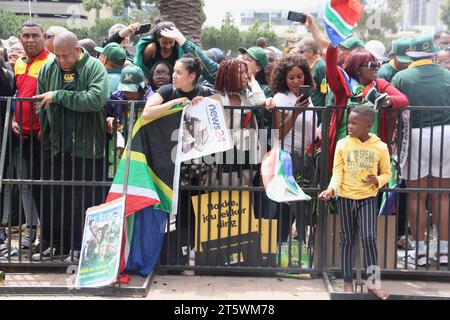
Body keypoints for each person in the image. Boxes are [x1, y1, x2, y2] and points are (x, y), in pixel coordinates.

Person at [32, 31, 109, 262]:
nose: (62, 60)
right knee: (54, 196)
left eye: (66, 56)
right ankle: (55, 245)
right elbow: (40, 100)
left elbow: (96, 99)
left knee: (84, 200)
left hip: (87, 147)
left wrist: (60, 96)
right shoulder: (49, 67)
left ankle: (80, 248)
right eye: (58, 56)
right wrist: (45, 129)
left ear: (77, 50)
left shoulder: (94, 67)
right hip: (55, 145)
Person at [319, 105, 391, 300]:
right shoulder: (343, 144)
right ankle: (347, 283)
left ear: (368, 125)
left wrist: (379, 180)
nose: (349, 126)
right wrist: (331, 190)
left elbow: (387, 173)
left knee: (369, 238)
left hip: (367, 198)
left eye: (354, 123)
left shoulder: (380, 147)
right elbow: (337, 172)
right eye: (349, 122)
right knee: (346, 240)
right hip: (345, 197)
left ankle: (373, 284)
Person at [392, 35, 450, 267]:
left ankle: (420, 252)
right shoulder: (448, 75)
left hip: (415, 135)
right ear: (433, 54)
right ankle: (445, 251)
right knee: (442, 195)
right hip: (446, 134)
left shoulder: (401, 77)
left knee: (416, 195)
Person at [3, 20, 52, 250]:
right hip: (20, 134)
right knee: (24, 185)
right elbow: (16, 96)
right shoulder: (19, 64)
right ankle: (31, 232)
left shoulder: (51, 62)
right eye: (26, 35)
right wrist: (13, 119)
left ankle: (48, 236)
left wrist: (46, 125)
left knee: (44, 186)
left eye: (35, 35)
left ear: (43, 37)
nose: (30, 39)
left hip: (43, 137)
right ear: (19, 37)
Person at [326, 45, 409, 171]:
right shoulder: (343, 86)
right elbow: (331, 67)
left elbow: (403, 99)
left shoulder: (379, 84)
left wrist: (386, 101)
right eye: (372, 65)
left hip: (370, 154)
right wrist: (332, 46)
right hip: (344, 151)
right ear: (357, 68)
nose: (377, 68)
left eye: (378, 64)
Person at [268, 54, 318, 241]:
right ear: (284, 79)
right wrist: (295, 112)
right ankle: (279, 248)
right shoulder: (281, 98)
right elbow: (278, 133)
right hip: (286, 158)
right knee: (286, 208)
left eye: (300, 76)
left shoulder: (307, 98)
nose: (297, 81)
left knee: (302, 207)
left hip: (305, 159)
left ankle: (299, 250)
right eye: (291, 78)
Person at [213, 58, 266, 186]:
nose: (245, 76)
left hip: (246, 157)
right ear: (229, 76)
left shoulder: (247, 97)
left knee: (243, 197)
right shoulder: (218, 98)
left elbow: (260, 101)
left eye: (246, 73)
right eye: (241, 73)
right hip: (224, 160)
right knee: (223, 197)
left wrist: (252, 78)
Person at [142, 54, 214, 120]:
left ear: (191, 77)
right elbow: (146, 113)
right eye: (174, 71)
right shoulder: (167, 90)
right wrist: (174, 102)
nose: (173, 75)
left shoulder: (206, 93)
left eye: (179, 73)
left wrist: (203, 103)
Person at [296, 38, 327, 112]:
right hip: (310, 109)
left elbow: (326, 91)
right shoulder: (310, 65)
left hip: (318, 110)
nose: (299, 55)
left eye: (301, 52)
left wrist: (325, 113)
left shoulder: (320, 66)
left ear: (310, 52)